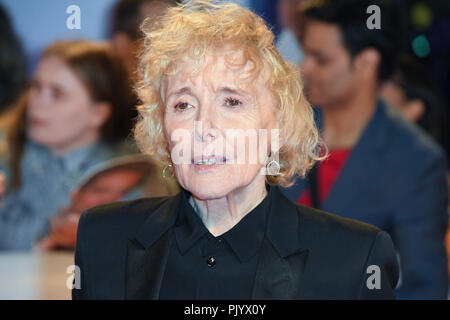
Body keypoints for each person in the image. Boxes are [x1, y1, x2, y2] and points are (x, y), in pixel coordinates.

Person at [73, 0, 398, 300]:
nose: (203, 127)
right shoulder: (101, 240)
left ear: (278, 127)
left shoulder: (354, 261)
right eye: (183, 104)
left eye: (232, 101)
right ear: (163, 129)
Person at [281, 0, 449, 299]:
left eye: (321, 59)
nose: (304, 68)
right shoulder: (283, 127)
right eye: (306, 54)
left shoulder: (415, 161)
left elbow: (423, 287)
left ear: (366, 64)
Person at [0, 40, 136, 251]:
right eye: (36, 87)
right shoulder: (6, 153)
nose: (36, 102)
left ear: (98, 113)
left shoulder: (130, 178)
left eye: (57, 94)